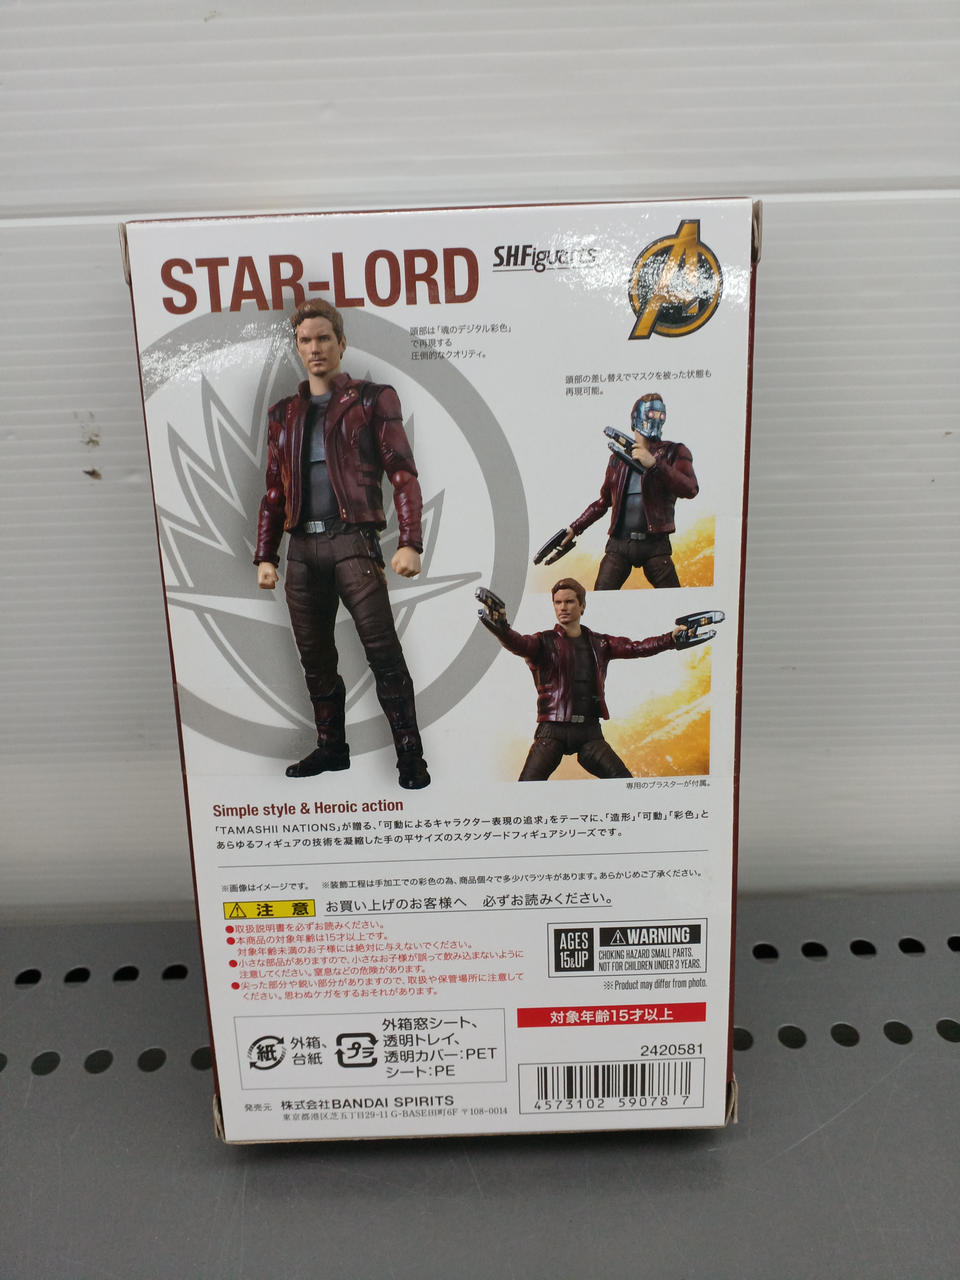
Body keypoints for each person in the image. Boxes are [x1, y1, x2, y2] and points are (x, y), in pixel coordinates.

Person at [254, 297, 430, 788]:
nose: (314, 348)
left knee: (383, 654)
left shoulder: (372, 400)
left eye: (323, 338)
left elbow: (403, 474)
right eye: (305, 340)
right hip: (301, 553)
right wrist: (266, 554)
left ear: (341, 343)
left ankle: (410, 758)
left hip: (353, 543)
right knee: (315, 661)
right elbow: (274, 491)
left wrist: (410, 541)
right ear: (297, 347)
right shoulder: (283, 414)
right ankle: (332, 748)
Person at [478, 577, 683, 781]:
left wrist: (671, 639)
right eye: (558, 602)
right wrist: (501, 628)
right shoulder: (543, 641)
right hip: (552, 730)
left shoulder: (600, 643)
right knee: (527, 786)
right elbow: (519, 643)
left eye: (569, 601)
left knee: (623, 781)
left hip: (589, 732)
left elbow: (636, 647)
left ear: (582, 605)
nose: (563, 607)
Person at [553, 393, 698, 589]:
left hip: (655, 545)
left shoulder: (674, 452)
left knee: (674, 598)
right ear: (637, 417)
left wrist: (655, 465)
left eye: (660, 416)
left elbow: (690, 489)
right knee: (600, 596)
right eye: (651, 415)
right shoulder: (617, 459)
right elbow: (603, 502)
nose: (656, 420)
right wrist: (575, 528)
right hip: (619, 545)